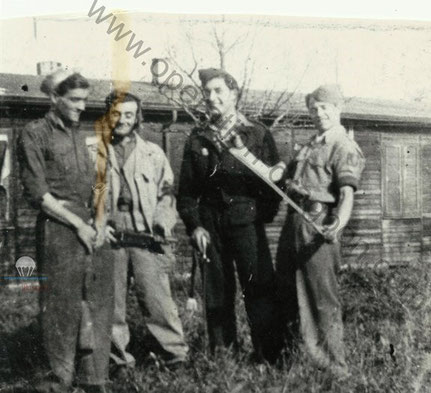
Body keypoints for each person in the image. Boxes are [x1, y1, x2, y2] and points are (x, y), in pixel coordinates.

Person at [177, 68, 283, 363]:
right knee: (217, 292)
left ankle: (268, 358)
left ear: (234, 94)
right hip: (211, 226)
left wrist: (257, 216)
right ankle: (223, 358)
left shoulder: (257, 133)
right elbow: (186, 192)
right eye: (207, 92)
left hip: (247, 222)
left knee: (259, 289)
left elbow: (275, 184)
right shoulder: (198, 138)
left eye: (218, 91)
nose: (212, 98)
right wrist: (195, 225)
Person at [17, 70, 114, 393]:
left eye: (85, 100)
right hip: (59, 229)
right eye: (74, 100)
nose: (81, 107)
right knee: (61, 307)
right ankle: (59, 381)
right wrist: (78, 226)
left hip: (91, 226)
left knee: (98, 302)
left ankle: (94, 379)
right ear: (54, 98)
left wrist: (99, 222)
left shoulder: (80, 133)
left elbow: (98, 183)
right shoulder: (34, 134)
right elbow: (39, 193)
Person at [95, 90, 188, 375]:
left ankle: (174, 356)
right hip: (111, 236)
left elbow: (167, 193)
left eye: (129, 114)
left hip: (147, 234)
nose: (122, 120)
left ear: (137, 118)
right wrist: (97, 225)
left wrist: (162, 222)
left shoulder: (153, 153)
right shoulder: (94, 153)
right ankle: (119, 361)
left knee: (158, 299)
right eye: (116, 114)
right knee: (112, 303)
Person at [276, 84, 365, 377]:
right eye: (314, 109)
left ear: (338, 109)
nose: (319, 113)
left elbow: (347, 194)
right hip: (294, 224)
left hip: (318, 226)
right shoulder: (310, 145)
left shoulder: (343, 146)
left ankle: (335, 368)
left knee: (322, 299)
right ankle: (295, 361)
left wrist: (337, 225)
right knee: (287, 292)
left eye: (325, 107)